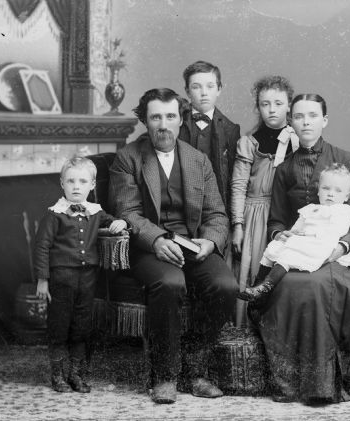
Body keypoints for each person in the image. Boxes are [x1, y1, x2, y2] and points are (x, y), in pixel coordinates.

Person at [108, 88, 238, 404]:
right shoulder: (128, 158)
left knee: (225, 286)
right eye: (156, 117)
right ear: (145, 121)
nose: (163, 124)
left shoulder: (198, 160)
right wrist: (156, 240)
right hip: (149, 247)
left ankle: (194, 369)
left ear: (181, 119)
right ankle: (164, 374)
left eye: (170, 116)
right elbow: (127, 212)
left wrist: (210, 240)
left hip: (192, 244)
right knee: (169, 282)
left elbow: (217, 213)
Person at [253, 93, 350, 405]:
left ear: (324, 120)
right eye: (299, 117)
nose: (306, 122)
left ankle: (322, 384)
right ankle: (288, 382)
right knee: (291, 284)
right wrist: (281, 235)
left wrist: (341, 247)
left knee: (315, 284)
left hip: (340, 249)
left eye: (313, 115)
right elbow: (277, 219)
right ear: (292, 122)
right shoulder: (284, 170)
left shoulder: (344, 158)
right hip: (301, 246)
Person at [34, 157, 127, 393]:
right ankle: (58, 377)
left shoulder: (95, 212)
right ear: (62, 184)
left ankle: (76, 375)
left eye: (83, 181)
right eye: (71, 181)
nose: (76, 186)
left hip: (87, 280)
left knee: (82, 328)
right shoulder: (55, 214)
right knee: (59, 327)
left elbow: (112, 221)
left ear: (92, 185)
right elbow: (42, 247)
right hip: (61, 279)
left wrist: (119, 222)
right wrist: (43, 281)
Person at [230, 75, 298, 325]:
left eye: (278, 103)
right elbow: (238, 187)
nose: (272, 109)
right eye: (265, 104)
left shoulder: (298, 141)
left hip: (286, 217)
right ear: (257, 106)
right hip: (255, 216)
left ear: (289, 105)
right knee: (252, 272)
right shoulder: (249, 143)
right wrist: (238, 225)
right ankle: (245, 330)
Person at [239, 163, 350, 301]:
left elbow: (337, 231)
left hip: (323, 244)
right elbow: (297, 227)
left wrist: (309, 235)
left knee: (288, 255)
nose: (331, 194)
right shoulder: (311, 209)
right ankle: (259, 285)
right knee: (274, 247)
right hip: (305, 240)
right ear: (319, 191)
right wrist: (292, 233)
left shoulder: (342, 211)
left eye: (338, 191)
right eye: (326, 188)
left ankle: (267, 286)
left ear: (347, 196)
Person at [179, 60, 240, 210]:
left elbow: (232, 177)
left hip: (215, 205)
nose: (204, 93)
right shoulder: (176, 123)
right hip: (180, 201)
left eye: (210, 86)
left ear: (219, 89)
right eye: (196, 87)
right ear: (187, 91)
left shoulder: (230, 129)